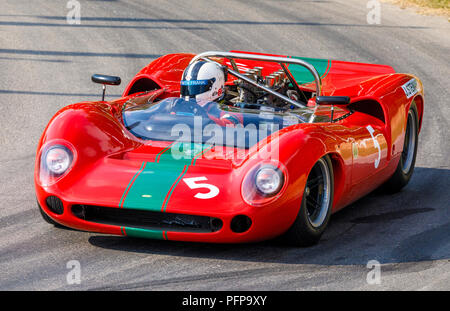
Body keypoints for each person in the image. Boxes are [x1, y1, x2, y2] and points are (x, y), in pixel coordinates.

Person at [180, 61, 242, 126]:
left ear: (215, 87)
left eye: (196, 88)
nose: (189, 93)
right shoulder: (181, 106)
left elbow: (229, 124)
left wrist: (202, 117)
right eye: (186, 88)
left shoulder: (230, 111)